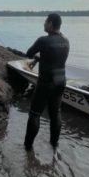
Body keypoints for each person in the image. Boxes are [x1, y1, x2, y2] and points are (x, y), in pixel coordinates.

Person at [24, 13, 70, 151]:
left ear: (50, 23)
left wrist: (38, 56)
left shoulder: (43, 40)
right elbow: (55, 58)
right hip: (60, 81)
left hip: (46, 82)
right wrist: (42, 56)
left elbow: (29, 53)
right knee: (55, 113)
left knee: (35, 113)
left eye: (45, 22)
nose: (44, 24)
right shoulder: (66, 40)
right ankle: (54, 144)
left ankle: (28, 147)